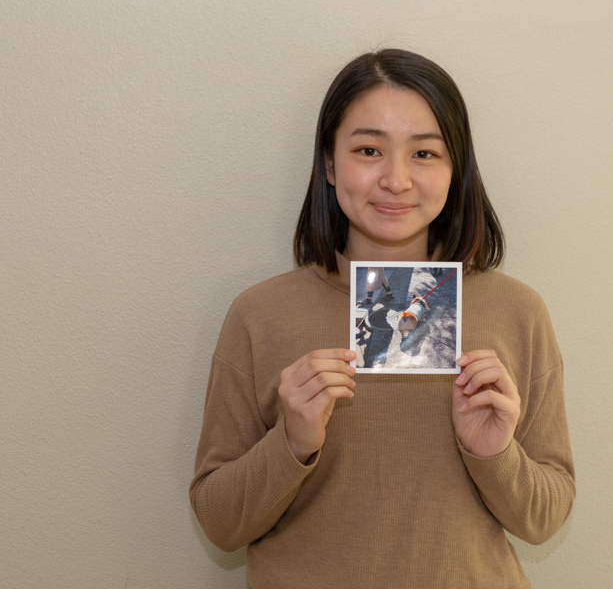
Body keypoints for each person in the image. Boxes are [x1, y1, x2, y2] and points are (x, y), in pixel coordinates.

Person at [190, 49, 575, 589]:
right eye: (369, 150)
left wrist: (494, 454)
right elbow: (219, 523)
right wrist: (291, 443)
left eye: (425, 153)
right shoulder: (259, 314)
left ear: (455, 170)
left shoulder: (517, 311)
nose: (396, 179)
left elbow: (545, 518)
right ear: (329, 164)